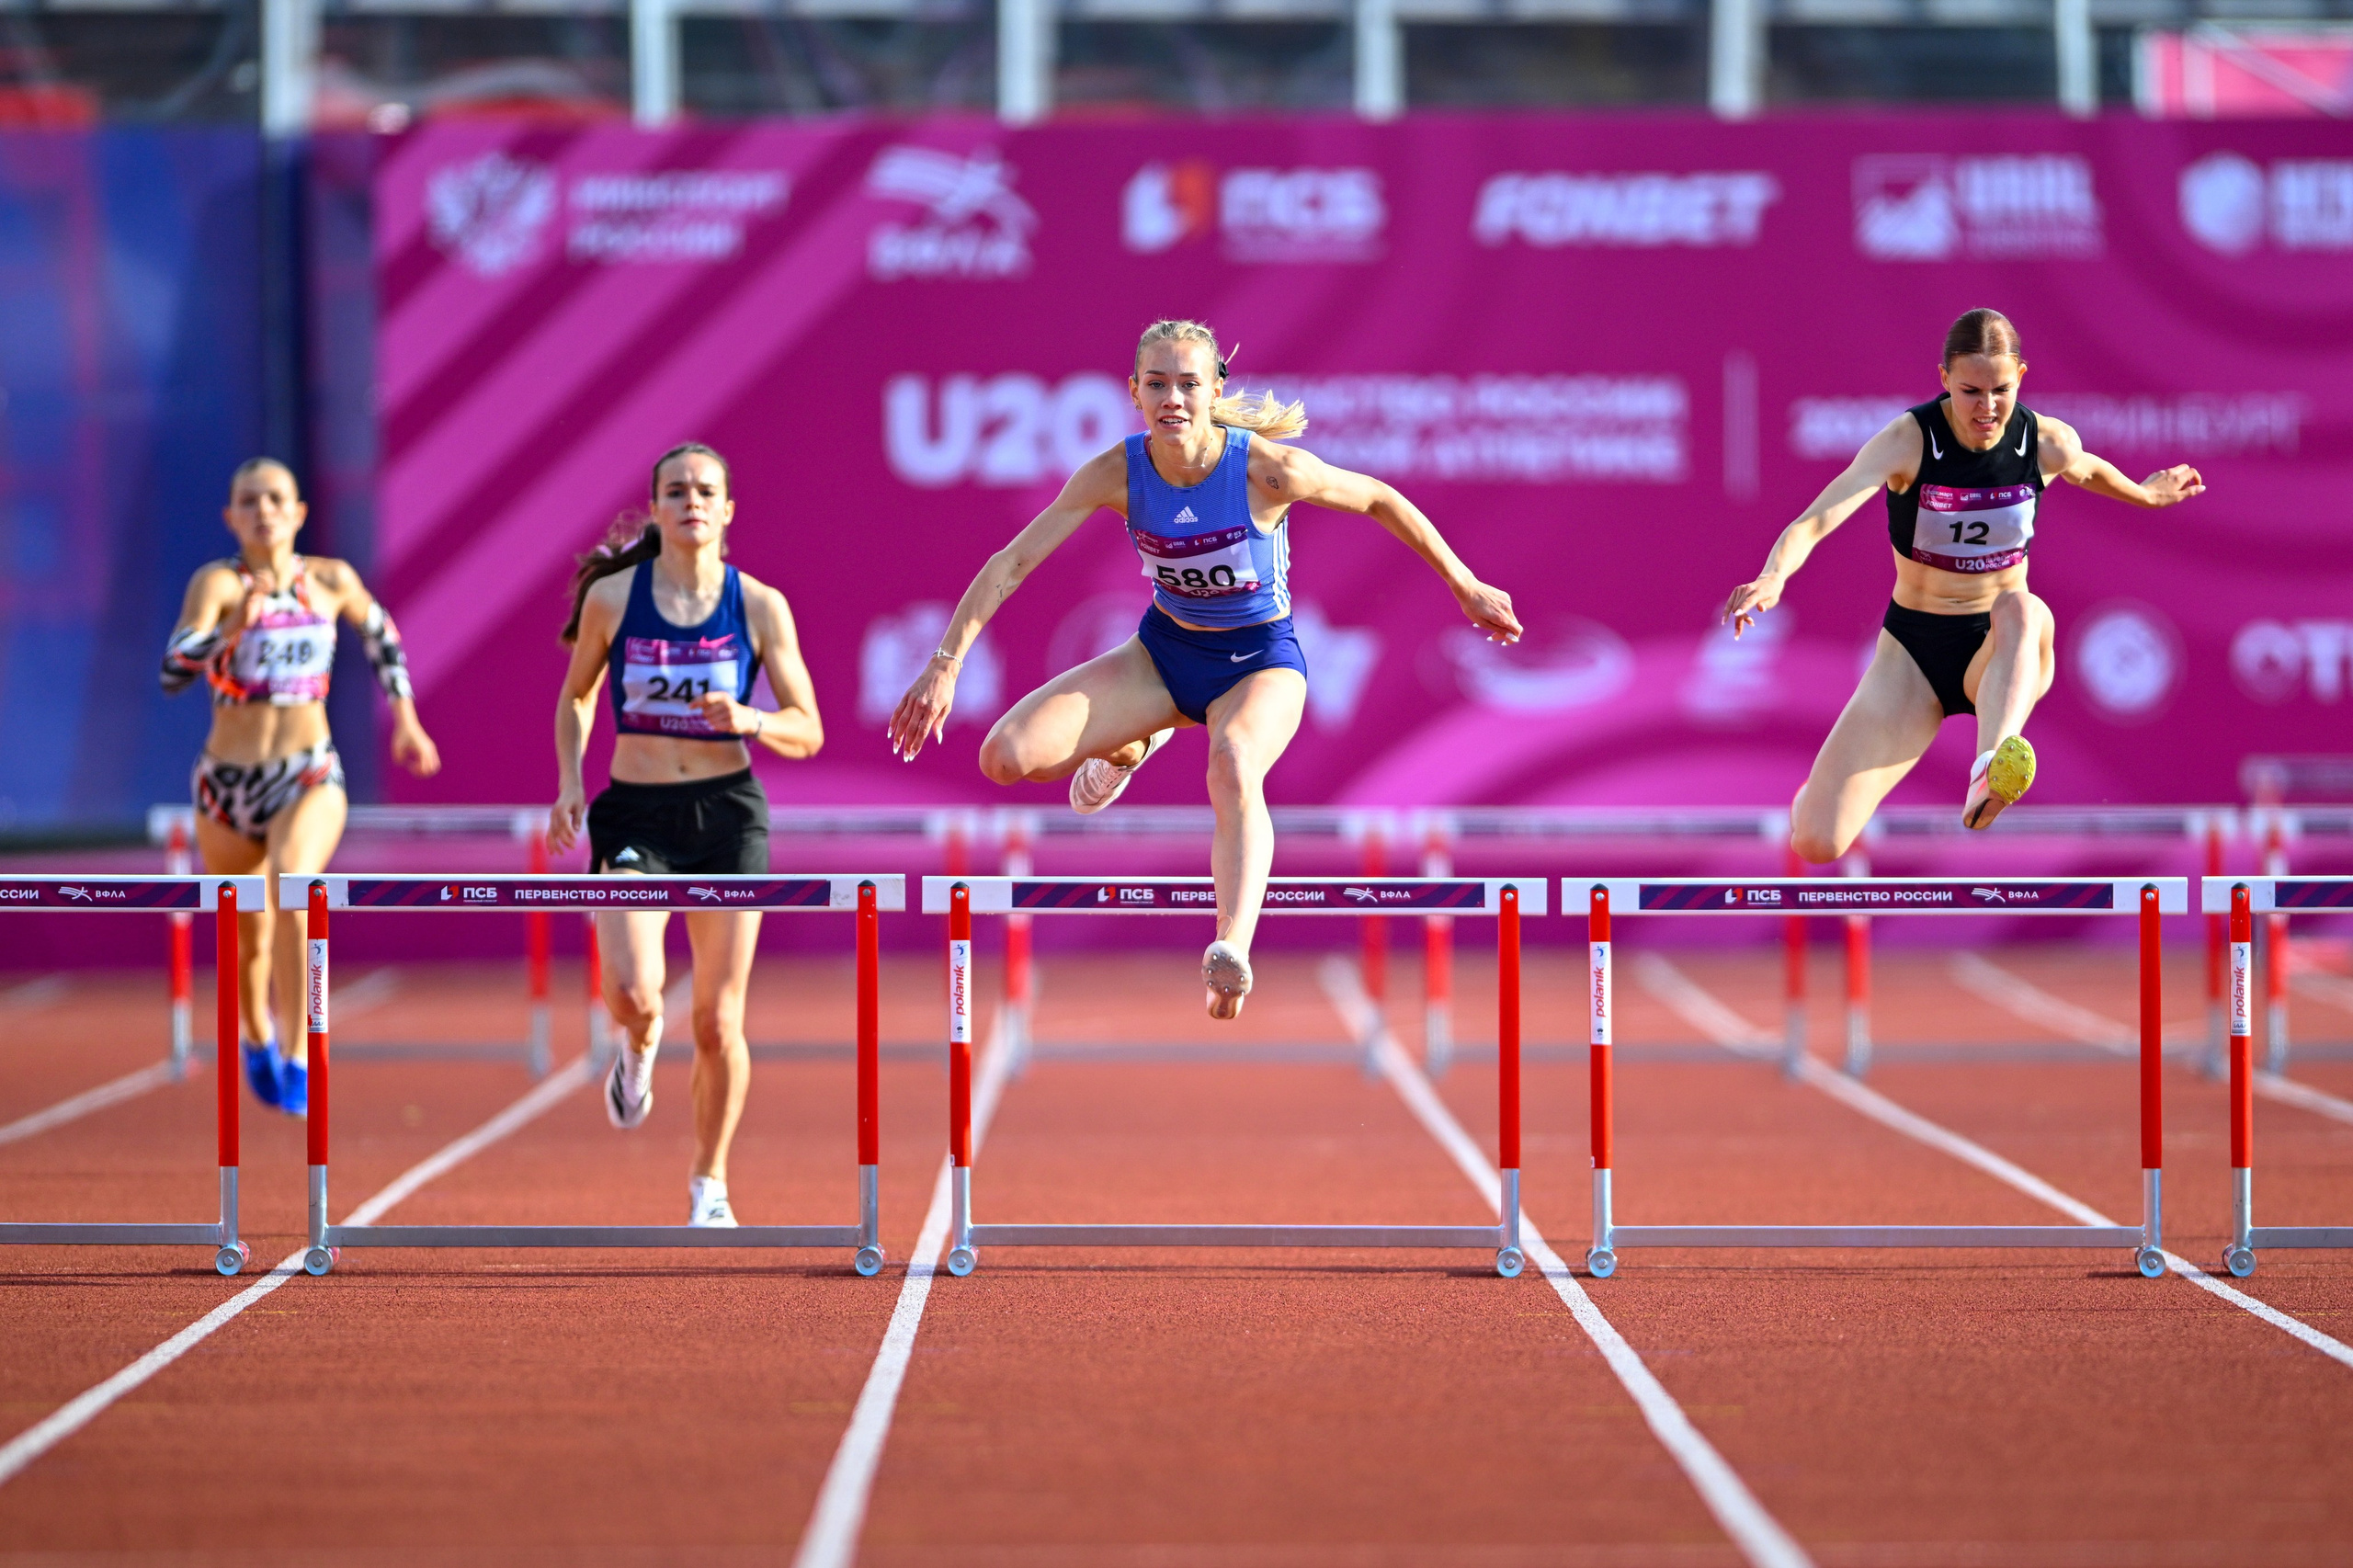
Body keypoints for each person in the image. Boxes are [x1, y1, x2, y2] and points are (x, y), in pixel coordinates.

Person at [887, 318, 1520, 1020]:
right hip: (1162, 655)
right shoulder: (1114, 473)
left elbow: (1378, 498)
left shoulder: (1265, 469)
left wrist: (1464, 584)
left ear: (1215, 389)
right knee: (1004, 758)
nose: (1174, 400)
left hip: (1260, 664)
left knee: (1233, 759)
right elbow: (1012, 562)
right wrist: (945, 663)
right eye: (1157, 384)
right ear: (1134, 392)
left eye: (1189, 384)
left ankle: (1233, 948)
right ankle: (1132, 743)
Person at [1723, 308, 2205, 863]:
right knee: (1817, 842)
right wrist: (1774, 574)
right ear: (1944, 379)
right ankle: (1816, 801)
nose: (1987, 408)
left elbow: (2089, 470)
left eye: (2000, 390)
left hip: (1998, 653)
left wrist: (2146, 494)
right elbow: (1821, 513)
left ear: (2021, 376)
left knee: (2023, 608)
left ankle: (1991, 765)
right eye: (1970, 391)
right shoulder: (1910, 440)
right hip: (1913, 653)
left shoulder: (2046, 441)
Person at [548, 444, 823, 1229]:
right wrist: (571, 781)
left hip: (727, 815)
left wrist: (754, 719)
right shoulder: (613, 598)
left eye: (706, 491)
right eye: (677, 491)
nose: (692, 501)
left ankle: (710, 1182)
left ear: (728, 509)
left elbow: (809, 730)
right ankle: (634, 1049)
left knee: (718, 1020)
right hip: (636, 813)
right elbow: (577, 699)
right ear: (658, 507)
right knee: (636, 993)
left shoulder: (760, 605)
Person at [162, 457, 440, 1116]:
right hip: (226, 786)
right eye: (249, 501)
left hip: (307, 773)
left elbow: (382, 636)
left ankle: (295, 1048)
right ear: (230, 516)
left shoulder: (331, 579)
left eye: (275, 499)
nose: (264, 511)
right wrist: (226, 630)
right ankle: (256, 1036)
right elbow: (173, 672)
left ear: (298, 512)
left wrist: (405, 717)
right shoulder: (218, 584)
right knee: (247, 933)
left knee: (294, 884)